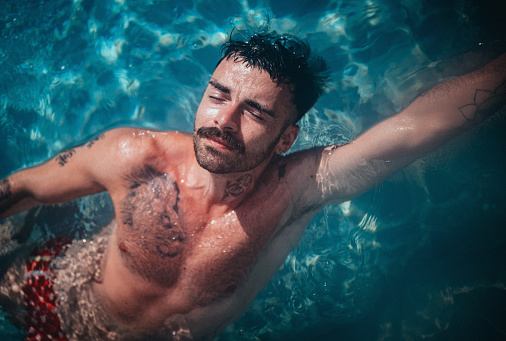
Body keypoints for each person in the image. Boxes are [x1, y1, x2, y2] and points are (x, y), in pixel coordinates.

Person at [0, 30, 505, 340]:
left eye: (256, 112)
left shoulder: (298, 189)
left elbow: (417, 126)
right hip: (55, 290)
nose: (224, 120)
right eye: (218, 95)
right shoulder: (135, 157)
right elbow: (22, 187)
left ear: (287, 136)